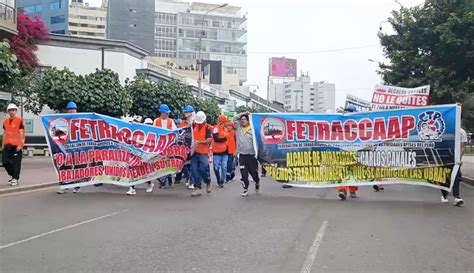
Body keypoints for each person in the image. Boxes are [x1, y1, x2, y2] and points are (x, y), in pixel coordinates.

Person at [57, 102, 83, 194]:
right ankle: (64, 186)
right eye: (70, 109)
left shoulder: (81, 121)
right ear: (67, 111)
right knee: (64, 167)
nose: (72, 111)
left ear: (76, 110)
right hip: (65, 149)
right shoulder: (62, 121)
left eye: (73, 109)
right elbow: (58, 134)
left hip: (78, 149)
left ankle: (77, 186)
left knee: (78, 167)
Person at [126, 118, 155, 195]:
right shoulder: (139, 132)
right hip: (137, 154)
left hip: (147, 156)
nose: (148, 126)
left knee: (144, 172)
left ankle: (149, 184)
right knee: (133, 170)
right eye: (147, 124)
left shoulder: (153, 133)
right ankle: (132, 188)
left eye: (150, 124)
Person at [441, 123, 467, 206]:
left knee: (456, 176)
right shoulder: (445, 130)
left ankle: (457, 197)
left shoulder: (462, 132)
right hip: (445, 157)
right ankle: (444, 195)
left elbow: (462, 146)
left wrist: (459, 158)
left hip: (456, 159)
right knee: (445, 177)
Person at [234, 112, 260, 197]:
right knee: (244, 173)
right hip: (242, 155)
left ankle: (257, 181)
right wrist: (245, 113)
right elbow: (235, 118)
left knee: (253, 173)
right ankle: (245, 189)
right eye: (241, 120)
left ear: (248, 121)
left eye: (244, 119)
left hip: (252, 155)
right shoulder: (239, 128)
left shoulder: (253, 129)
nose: (242, 121)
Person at [337, 104, 359, 200]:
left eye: (349, 111)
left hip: (354, 152)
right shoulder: (340, 122)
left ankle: (352, 190)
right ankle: (342, 190)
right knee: (342, 171)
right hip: (342, 151)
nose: (347, 113)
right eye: (346, 111)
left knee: (353, 172)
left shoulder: (359, 124)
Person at [2, 103, 25, 186]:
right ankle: (13, 176)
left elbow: (21, 134)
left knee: (16, 163)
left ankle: (15, 178)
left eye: (14, 110)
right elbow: (4, 133)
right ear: (8, 111)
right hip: (7, 145)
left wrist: (20, 145)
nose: (12, 111)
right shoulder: (5, 122)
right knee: (4, 162)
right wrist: (2, 145)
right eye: (10, 110)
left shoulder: (19, 121)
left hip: (17, 146)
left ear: (16, 111)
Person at [154, 104, 176, 189]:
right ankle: (162, 180)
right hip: (159, 146)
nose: (167, 115)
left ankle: (168, 178)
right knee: (159, 164)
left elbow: (175, 133)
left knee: (167, 163)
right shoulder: (156, 121)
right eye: (166, 113)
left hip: (168, 146)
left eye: (168, 113)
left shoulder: (171, 121)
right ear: (162, 113)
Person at [190, 111, 212, 197]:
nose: (199, 124)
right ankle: (197, 187)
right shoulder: (193, 125)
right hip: (194, 152)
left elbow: (209, 140)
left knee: (203, 168)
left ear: (204, 121)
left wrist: (200, 142)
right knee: (194, 170)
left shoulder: (208, 127)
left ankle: (207, 181)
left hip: (203, 152)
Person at [212, 115, 229, 188]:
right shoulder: (215, 128)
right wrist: (224, 139)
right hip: (216, 152)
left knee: (224, 167)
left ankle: (222, 181)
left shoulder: (225, 129)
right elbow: (216, 139)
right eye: (225, 122)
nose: (226, 123)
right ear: (223, 122)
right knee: (216, 168)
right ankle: (218, 179)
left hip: (225, 152)